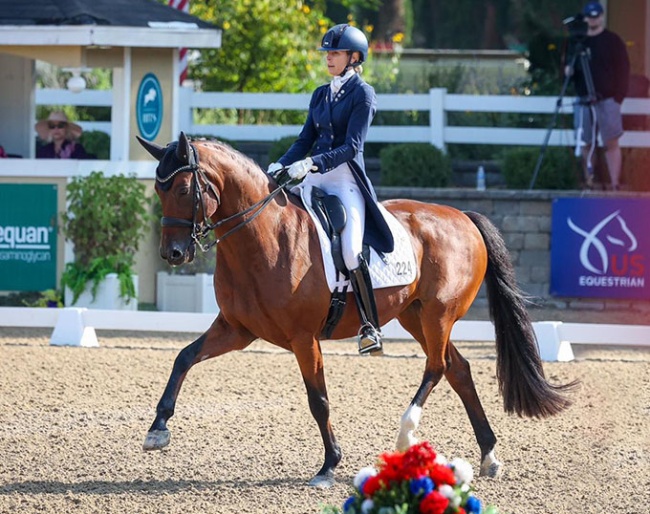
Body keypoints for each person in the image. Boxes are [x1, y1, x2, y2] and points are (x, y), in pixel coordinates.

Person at [267, 23, 394, 356]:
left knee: (351, 251)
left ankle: (370, 327)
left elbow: (352, 147)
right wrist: (280, 164)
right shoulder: (320, 95)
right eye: (328, 53)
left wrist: (312, 164)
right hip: (314, 178)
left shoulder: (363, 94)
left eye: (335, 53)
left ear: (353, 57)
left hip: (344, 180)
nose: (329, 58)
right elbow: (305, 139)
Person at [568, 1, 630, 190]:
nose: (593, 20)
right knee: (587, 141)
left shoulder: (613, 40)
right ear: (585, 18)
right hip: (584, 100)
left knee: (611, 141)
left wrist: (619, 97)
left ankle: (614, 183)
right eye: (590, 17)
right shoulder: (577, 42)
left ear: (601, 16)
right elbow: (570, 71)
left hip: (608, 98)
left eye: (596, 16)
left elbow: (623, 69)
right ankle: (590, 181)